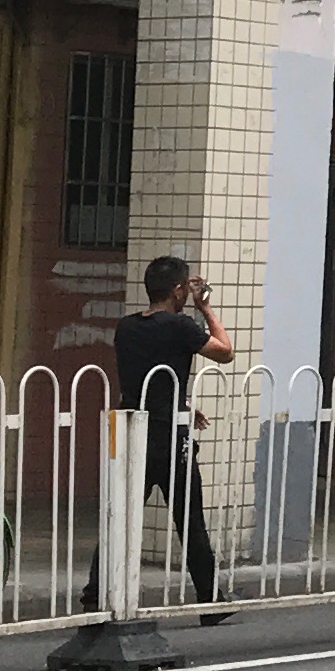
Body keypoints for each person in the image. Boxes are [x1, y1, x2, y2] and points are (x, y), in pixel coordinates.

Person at [113, 257, 230, 605]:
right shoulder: (180, 326)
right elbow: (225, 351)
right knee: (190, 521)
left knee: (119, 517)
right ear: (178, 290)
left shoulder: (126, 327)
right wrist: (205, 307)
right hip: (169, 438)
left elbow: (147, 379)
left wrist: (184, 405)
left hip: (133, 432)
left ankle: (95, 593)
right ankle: (210, 599)